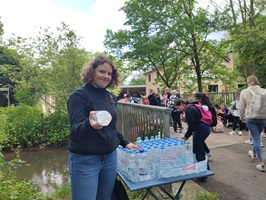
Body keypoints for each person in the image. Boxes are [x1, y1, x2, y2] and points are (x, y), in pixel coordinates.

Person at [67, 55, 139, 200]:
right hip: (86, 159)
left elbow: (111, 127)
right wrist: (89, 124)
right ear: (92, 72)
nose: (106, 76)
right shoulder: (79, 96)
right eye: (102, 72)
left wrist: (125, 142)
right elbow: (76, 131)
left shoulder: (110, 97)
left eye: (109, 73)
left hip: (110, 157)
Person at [239, 75, 266, 172]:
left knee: (256, 138)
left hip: (250, 117)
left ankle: (261, 163)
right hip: (263, 118)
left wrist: (241, 117)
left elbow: (241, 107)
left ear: (248, 82)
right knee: (257, 136)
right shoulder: (264, 91)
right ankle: (253, 153)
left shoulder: (244, 92)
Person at [175, 99, 211, 171]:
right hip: (205, 128)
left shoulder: (188, 109)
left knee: (197, 152)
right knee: (200, 150)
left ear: (182, 104)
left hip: (200, 130)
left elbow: (191, 125)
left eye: (178, 108)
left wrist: (186, 136)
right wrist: (185, 119)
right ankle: (206, 169)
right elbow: (195, 119)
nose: (179, 110)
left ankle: (201, 174)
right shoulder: (191, 107)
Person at [194, 92, 214, 158]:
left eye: (196, 98)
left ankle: (205, 154)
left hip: (204, 126)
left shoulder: (204, 106)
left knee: (199, 141)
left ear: (199, 99)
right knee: (201, 141)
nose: (195, 100)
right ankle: (207, 153)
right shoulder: (205, 105)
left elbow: (202, 117)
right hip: (205, 126)